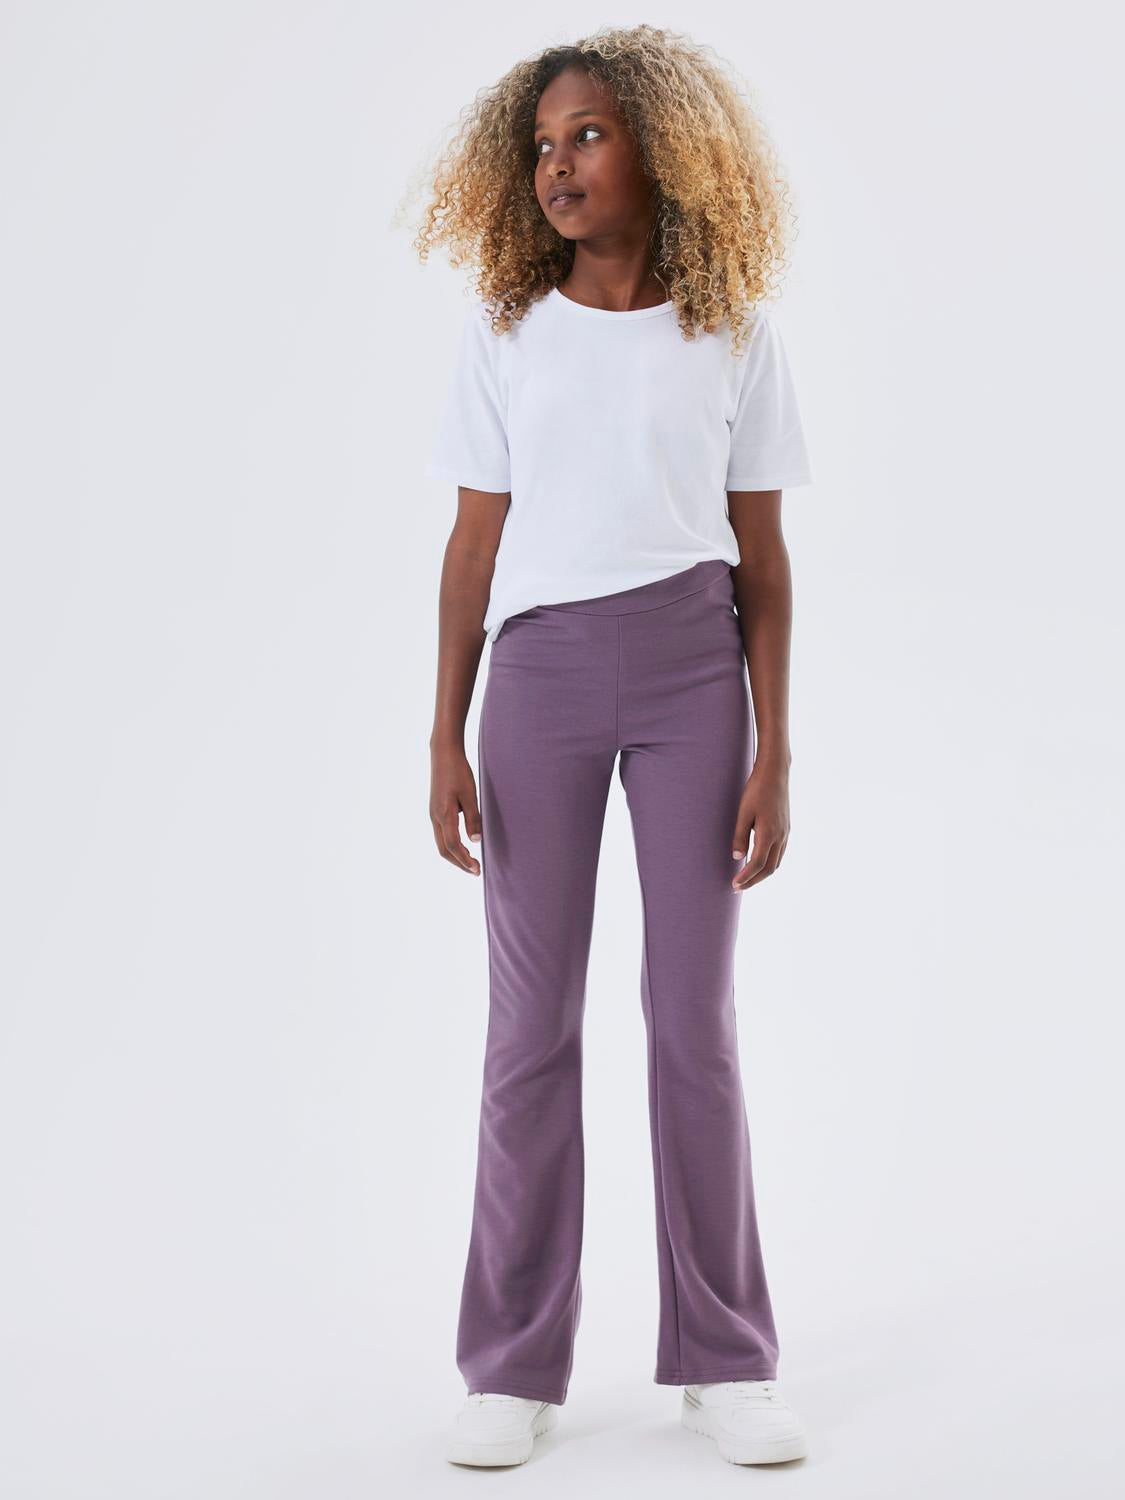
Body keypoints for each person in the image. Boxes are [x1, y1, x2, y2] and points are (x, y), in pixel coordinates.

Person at [413, 24, 813, 1469]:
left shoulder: (733, 333)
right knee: (530, 1030)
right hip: (538, 684)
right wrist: (443, 732)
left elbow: (763, 562)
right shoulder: (506, 332)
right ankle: (510, 1366)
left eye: (585, 135)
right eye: (540, 146)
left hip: (694, 676)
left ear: (664, 148)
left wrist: (775, 749)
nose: (557, 166)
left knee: (691, 1023)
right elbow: (472, 549)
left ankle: (727, 1358)